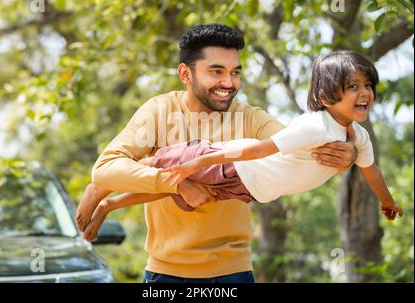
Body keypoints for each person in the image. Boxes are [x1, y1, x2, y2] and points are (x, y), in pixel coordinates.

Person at [76, 24, 357, 283]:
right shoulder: (159, 111)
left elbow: (304, 151)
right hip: (165, 274)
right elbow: (105, 168)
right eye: (216, 71)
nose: (229, 82)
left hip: (232, 273)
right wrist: (178, 183)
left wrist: (347, 155)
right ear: (186, 74)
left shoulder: (251, 118)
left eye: (235, 72)